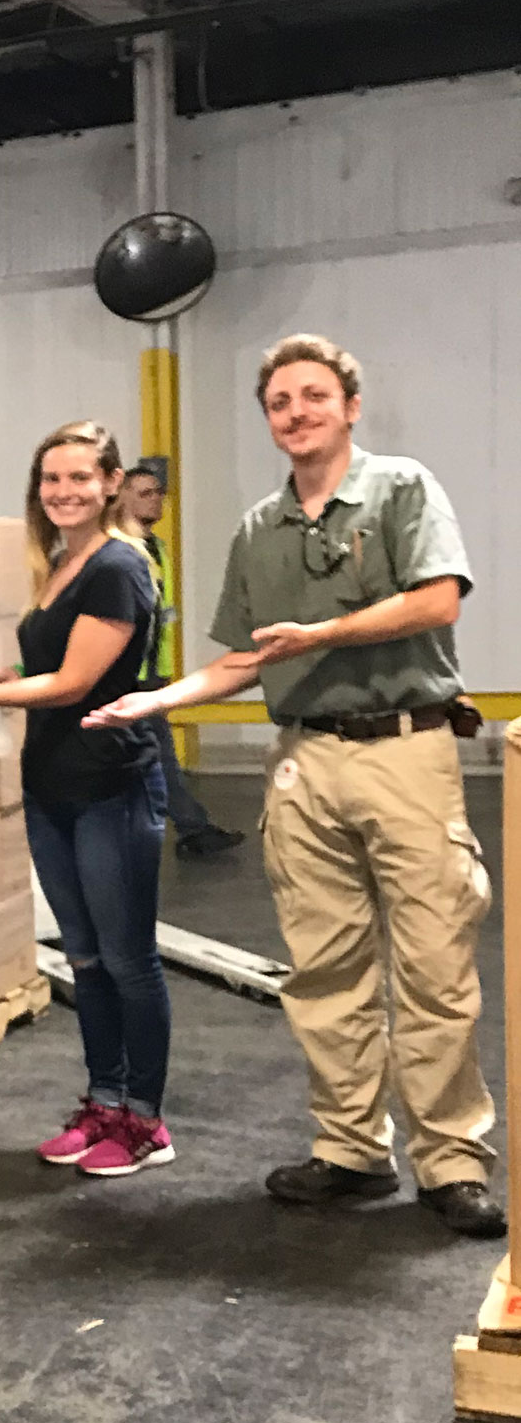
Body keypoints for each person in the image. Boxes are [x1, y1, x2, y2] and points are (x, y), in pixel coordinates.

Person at [88, 333, 502, 1237]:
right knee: (325, 972)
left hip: (406, 750)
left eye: (314, 395)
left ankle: (451, 1162)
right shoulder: (256, 530)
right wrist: (156, 699)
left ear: (350, 406)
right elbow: (244, 657)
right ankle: (352, 1152)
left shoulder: (402, 490)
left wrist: (319, 635)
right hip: (303, 760)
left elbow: (438, 600)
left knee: (434, 969)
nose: (297, 412)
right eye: (280, 402)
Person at [0, 422, 173, 1177]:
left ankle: (146, 1122)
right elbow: (54, 662)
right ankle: (104, 1103)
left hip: (110, 785)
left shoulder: (118, 565)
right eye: (51, 480)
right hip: (52, 781)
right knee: (85, 958)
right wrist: (10, 668)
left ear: (111, 482)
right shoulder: (63, 562)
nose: (63, 492)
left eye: (80, 478)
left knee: (128, 960)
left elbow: (76, 684)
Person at [114, 459, 244, 858]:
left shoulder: (157, 549)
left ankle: (171, 830)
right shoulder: (121, 552)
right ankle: (192, 829)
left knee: (144, 761)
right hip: (130, 677)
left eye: (159, 493)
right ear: (121, 498)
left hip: (151, 675)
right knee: (159, 759)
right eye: (145, 493)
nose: (157, 501)